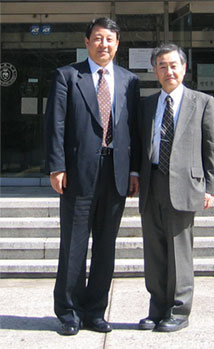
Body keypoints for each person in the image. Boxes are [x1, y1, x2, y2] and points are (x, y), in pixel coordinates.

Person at [45, 17, 140, 336]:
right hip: (77, 174)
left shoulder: (129, 81)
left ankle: (95, 310)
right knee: (73, 244)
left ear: (118, 44)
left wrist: (134, 169)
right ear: (87, 42)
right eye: (98, 38)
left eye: (110, 39)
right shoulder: (67, 76)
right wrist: (57, 165)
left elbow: (133, 130)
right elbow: (56, 125)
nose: (104, 44)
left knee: (105, 246)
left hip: (116, 172)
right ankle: (69, 311)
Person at [130, 43, 214, 332]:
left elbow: (212, 146)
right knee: (154, 251)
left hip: (185, 185)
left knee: (179, 251)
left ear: (184, 68)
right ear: (154, 70)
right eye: (162, 66)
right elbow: (139, 144)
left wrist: (210, 186)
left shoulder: (202, 102)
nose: (168, 71)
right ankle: (157, 308)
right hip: (152, 181)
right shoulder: (147, 105)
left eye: (173, 65)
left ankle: (179, 311)